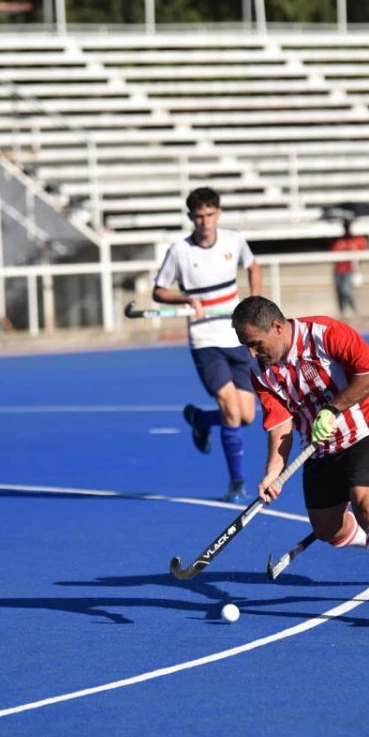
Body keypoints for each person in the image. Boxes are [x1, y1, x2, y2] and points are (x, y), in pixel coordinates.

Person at [232, 295, 369, 626]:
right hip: (316, 446)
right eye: (247, 347)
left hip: (366, 428)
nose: (253, 353)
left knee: (366, 501)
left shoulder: (326, 333)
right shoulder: (261, 372)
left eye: (256, 344)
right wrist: (273, 472)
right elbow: (280, 424)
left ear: (277, 327)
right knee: (328, 529)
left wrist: (332, 409)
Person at [153, 187, 262, 502]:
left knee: (246, 416)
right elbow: (159, 291)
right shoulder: (180, 252)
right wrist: (187, 298)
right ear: (190, 218)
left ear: (218, 213)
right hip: (205, 339)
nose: (204, 221)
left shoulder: (233, 241)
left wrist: (254, 300)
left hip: (235, 334)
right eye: (198, 216)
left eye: (210, 215)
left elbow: (253, 267)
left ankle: (201, 419)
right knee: (229, 406)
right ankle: (237, 483)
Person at [330, 219, 368, 317]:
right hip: (338, 270)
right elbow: (335, 251)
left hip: (349, 270)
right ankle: (342, 311)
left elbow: (362, 248)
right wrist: (347, 248)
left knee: (346, 290)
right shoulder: (339, 240)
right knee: (339, 292)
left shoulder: (355, 239)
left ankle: (353, 309)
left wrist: (353, 247)